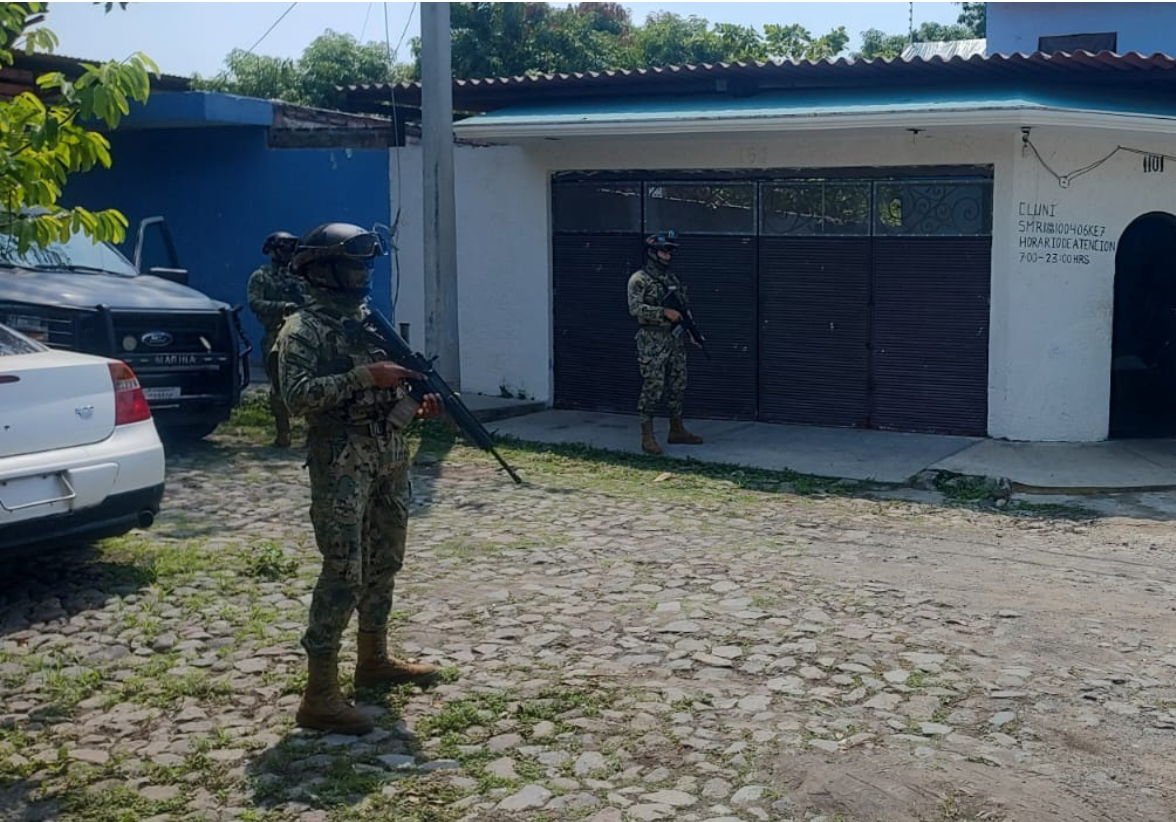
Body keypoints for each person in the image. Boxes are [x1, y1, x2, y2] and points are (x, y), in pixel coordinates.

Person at [276, 222, 444, 736]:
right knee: (343, 571)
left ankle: (374, 658)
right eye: (353, 265)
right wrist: (364, 377)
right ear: (322, 270)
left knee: (385, 559)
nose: (363, 274)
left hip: (388, 451)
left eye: (367, 265)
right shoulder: (303, 329)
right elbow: (296, 396)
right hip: (341, 459)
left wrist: (413, 400)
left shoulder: (370, 321)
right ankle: (319, 694)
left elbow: (389, 384)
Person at [627, 230, 704, 455]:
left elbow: (683, 308)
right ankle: (646, 435)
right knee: (654, 385)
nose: (668, 255)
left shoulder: (671, 279)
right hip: (652, 340)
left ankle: (676, 429)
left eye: (670, 251)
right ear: (652, 252)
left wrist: (693, 332)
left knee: (678, 384)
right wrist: (663, 312)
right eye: (664, 251)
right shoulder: (639, 279)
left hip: (674, 339)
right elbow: (635, 308)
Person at [247, 231, 305, 447]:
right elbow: (255, 302)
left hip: (301, 335)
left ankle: (311, 433)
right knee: (278, 386)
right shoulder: (261, 276)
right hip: (275, 334)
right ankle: (284, 433)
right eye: (283, 249)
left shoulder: (300, 275)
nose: (287, 254)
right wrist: (283, 306)